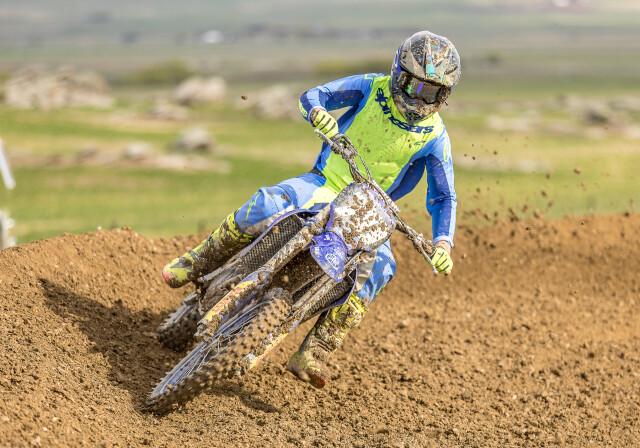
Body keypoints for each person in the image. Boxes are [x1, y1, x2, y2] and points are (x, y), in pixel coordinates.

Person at [162, 31, 460, 389]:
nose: (419, 97)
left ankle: (317, 349)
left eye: (431, 92)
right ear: (398, 73)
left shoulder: (435, 136)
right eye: (414, 85)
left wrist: (443, 244)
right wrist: (319, 113)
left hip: (371, 210)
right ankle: (197, 260)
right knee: (266, 203)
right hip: (325, 183)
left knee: (382, 269)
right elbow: (313, 95)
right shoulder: (372, 87)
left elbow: (444, 196)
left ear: (444, 95)